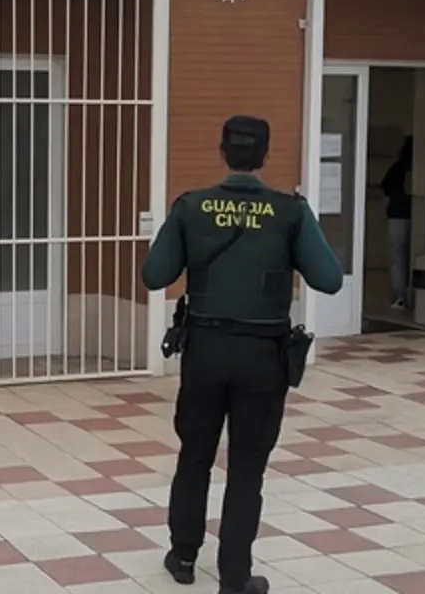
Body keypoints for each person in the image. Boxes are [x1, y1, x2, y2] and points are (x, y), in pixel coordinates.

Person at [141, 115, 343, 594]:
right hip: (262, 358)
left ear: (222, 151)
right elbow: (329, 279)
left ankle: (183, 556)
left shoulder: (191, 207)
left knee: (195, 455)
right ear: (266, 155)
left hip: (205, 352)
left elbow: (155, 275)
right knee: (248, 468)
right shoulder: (290, 212)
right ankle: (235, 576)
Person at [380, 136, 414, 309]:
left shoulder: (398, 168)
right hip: (417, 215)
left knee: (397, 257)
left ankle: (400, 296)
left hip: (397, 215)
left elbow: (385, 186)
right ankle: (412, 296)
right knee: (411, 256)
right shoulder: (423, 167)